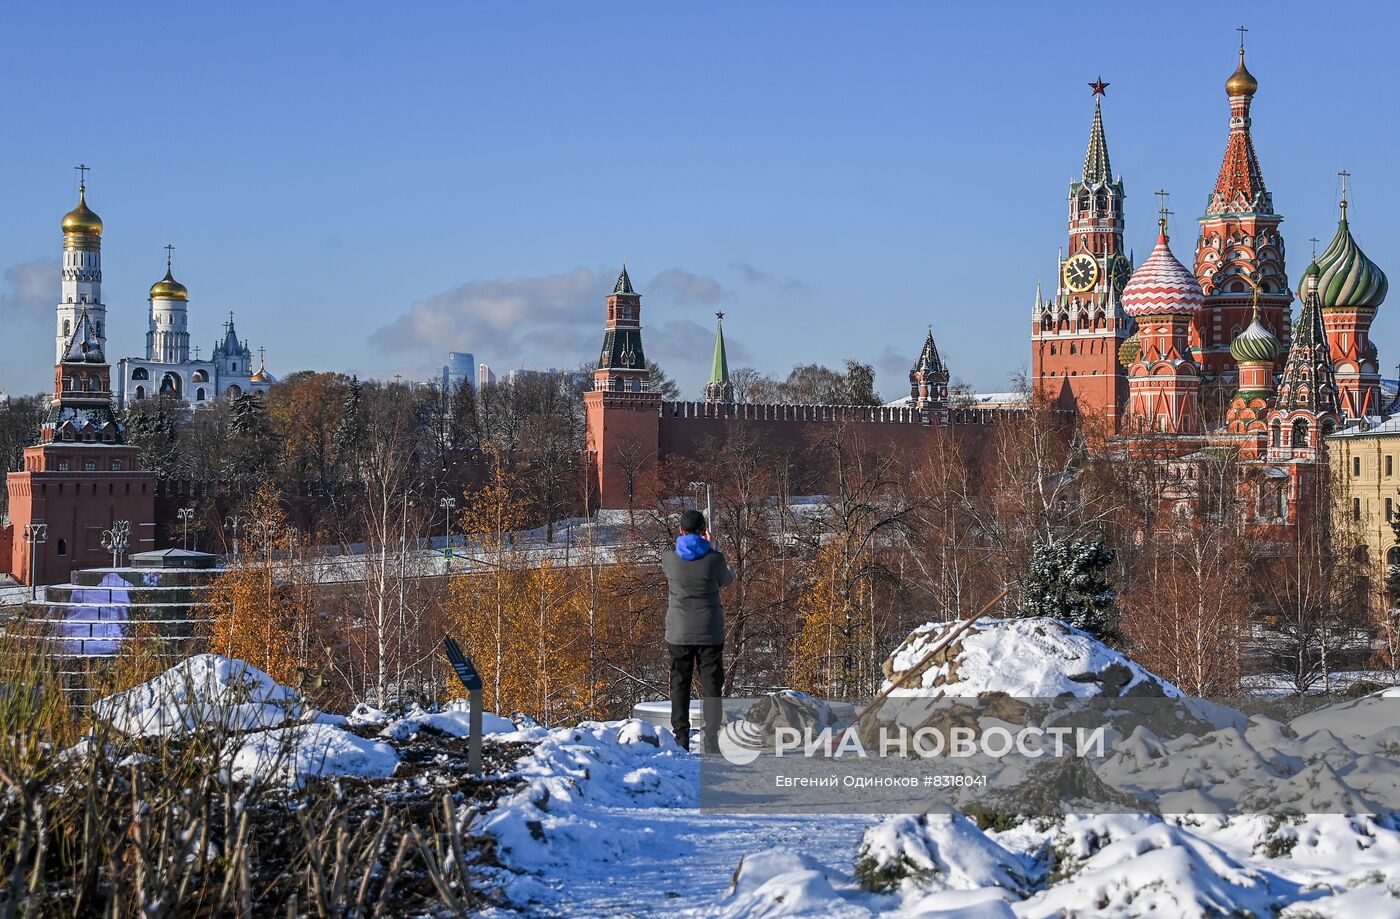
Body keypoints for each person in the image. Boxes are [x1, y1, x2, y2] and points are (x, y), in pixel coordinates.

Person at [661, 508, 734, 753]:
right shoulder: (714, 560)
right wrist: (713, 548)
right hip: (709, 631)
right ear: (704, 532)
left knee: (679, 683)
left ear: (680, 531)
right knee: (712, 684)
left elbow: (674, 560)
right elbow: (727, 580)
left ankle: (681, 737)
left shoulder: (669, 558)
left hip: (679, 631)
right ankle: (711, 739)